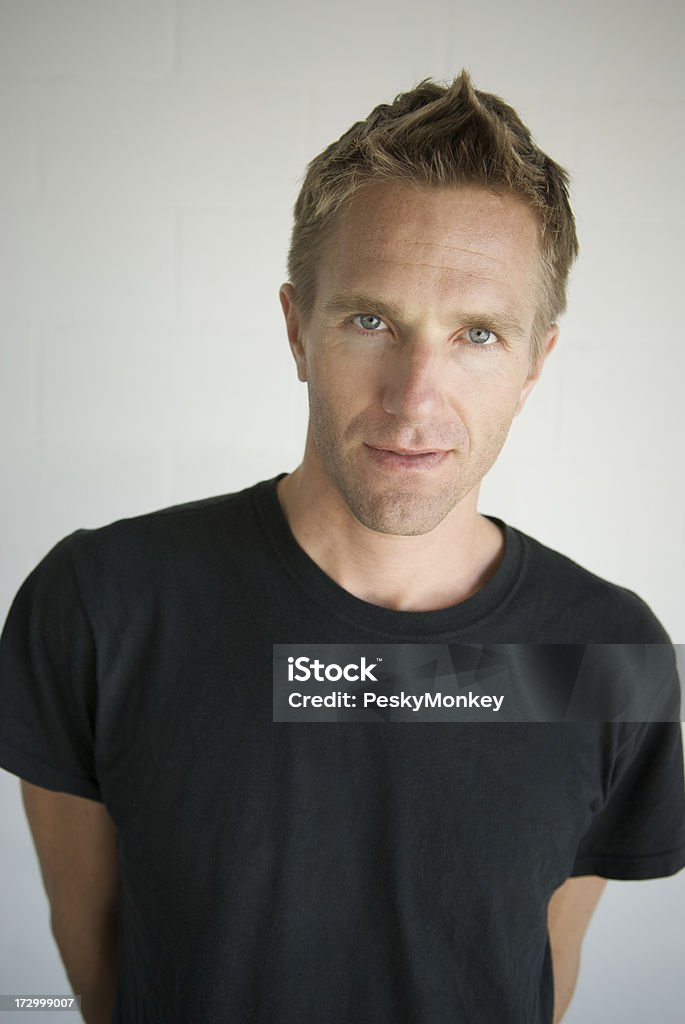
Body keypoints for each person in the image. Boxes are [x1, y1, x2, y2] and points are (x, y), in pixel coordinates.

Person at [0, 70, 683, 1024]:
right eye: (371, 320)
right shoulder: (101, 605)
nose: (414, 399)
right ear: (295, 330)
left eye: (477, 334)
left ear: (534, 365)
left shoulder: (604, 653)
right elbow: (102, 965)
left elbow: (535, 966)